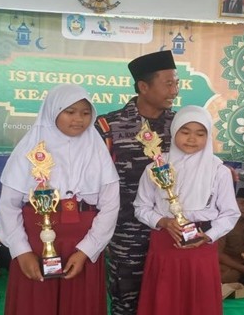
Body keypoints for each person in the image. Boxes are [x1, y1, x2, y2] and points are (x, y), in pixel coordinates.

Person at [0, 84, 119, 315]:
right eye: (70, 112)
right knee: (36, 305)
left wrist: (87, 250)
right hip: (34, 246)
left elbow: (111, 205)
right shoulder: (29, 150)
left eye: (85, 113)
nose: (78, 119)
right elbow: (8, 206)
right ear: (52, 111)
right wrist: (21, 250)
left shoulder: (97, 150)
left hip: (82, 245)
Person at [94, 50, 178, 315]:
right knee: (126, 303)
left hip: (170, 231)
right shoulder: (108, 126)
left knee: (167, 301)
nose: (175, 90)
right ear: (143, 86)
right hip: (127, 235)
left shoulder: (180, 126)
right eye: (168, 83)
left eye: (176, 83)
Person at [134, 106, 240, 315]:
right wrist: (163, 222)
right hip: (165, 241)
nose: (192, 139)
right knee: (164, 301)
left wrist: (209, 235)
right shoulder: (156, 166)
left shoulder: (218, 171)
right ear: (174, 131)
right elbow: (141, 207)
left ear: (208, 137)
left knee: (198, 303)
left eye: (200, 134)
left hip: (201, 244)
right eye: (185, 132)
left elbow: (230, 213)